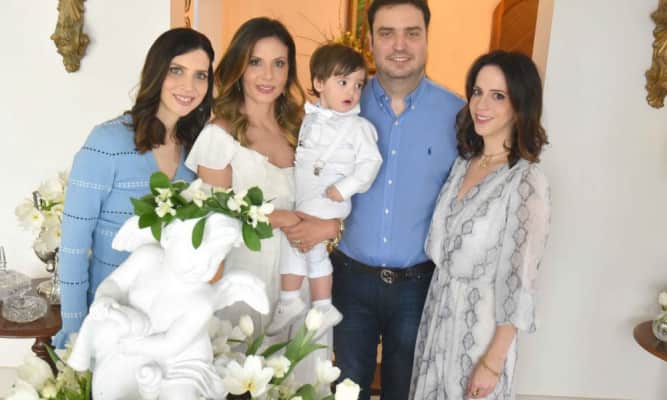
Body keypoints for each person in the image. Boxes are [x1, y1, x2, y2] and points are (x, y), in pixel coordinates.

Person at [326, 0, 465, 399]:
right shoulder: (343, 105)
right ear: (370, 41)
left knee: (406, 390)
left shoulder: (458, 114)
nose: (399, 45)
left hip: (418, 286)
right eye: (387, 33)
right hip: (350, 279)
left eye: (412, 33)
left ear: (426, 38)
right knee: (345, 390)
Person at [55, 28, 215, 348]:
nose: (189, 86)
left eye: (201, 75)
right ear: (156, 71)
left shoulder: (197, 153)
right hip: (109, 324)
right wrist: (74, 335)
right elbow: (73, 249)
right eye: (177, 70)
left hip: (168, 330)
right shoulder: (106, 142)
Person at [409, 50, 551, 400]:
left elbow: (519, 282)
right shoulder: (463, 164)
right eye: (477, 92)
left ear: (520, 104)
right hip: (437, 319)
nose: (481, 105)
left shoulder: (525, 180)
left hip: (479, 334)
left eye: (498, 95)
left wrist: (493, 361)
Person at [185, 17, 340, 333]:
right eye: (256, 62)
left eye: (278, 63)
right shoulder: (219, 136)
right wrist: (279, 218)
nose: (268, 75)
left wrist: (330, 226)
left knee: (303, 361)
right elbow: (214, 223)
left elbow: (332, 198)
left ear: (289, 71)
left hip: (303, 286)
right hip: (246, 286)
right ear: (239, 67)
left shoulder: (304, 130)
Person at [266, 43, 382, 339]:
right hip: (310, 194)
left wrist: (344, 188)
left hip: (330, 197)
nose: (352, 91)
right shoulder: (309, 118)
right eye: (343, 82)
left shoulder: (358, 127)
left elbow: (371, 162)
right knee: (305, 245)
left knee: (299, 237)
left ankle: (299, 301)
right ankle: (313, 304)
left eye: (358, 85)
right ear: (319, 83)